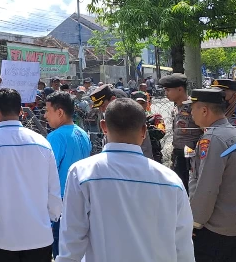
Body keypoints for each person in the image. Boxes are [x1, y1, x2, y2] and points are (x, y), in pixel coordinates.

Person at [56, 98, 194, 262]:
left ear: (103, 127)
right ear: (144, 130)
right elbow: (183, 246)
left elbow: (72, 239)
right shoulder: (170, 180)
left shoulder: (82, 173)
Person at [0, 89, 62, 262]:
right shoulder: (43, 143)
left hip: (2, 238)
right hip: (39, 236)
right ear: (20, 112)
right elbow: (54, 191)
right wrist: (52, 220)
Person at [185, 89, 236, 262]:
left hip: (215, 229)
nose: (191, 114)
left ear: (204, 110)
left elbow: (207, 189)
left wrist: (194, 222)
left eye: (192, 108)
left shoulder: (213, 139)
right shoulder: (234, 134)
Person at [43, 91, 91, 258]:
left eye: (47, 111)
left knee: (61, 251)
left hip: (60, 205)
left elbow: (46, 173)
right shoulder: (83, 134)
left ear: (60, 112)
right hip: (83, 201)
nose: (44, 115)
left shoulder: (55, 137)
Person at [159, 73, 202, 191]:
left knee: (191, 188)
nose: (165, 93)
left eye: (168, 90)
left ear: (180, 89)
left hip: (192, 156)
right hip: (178, 154)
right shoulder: (176, 108)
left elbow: (204, 130)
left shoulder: (193, 108)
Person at [90, 84, 154, 159]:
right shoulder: (109, 119)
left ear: (113, 99)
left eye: (103, 106)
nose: (101, 110)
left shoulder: (133, 121)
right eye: (99, 107)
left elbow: (145, 152)